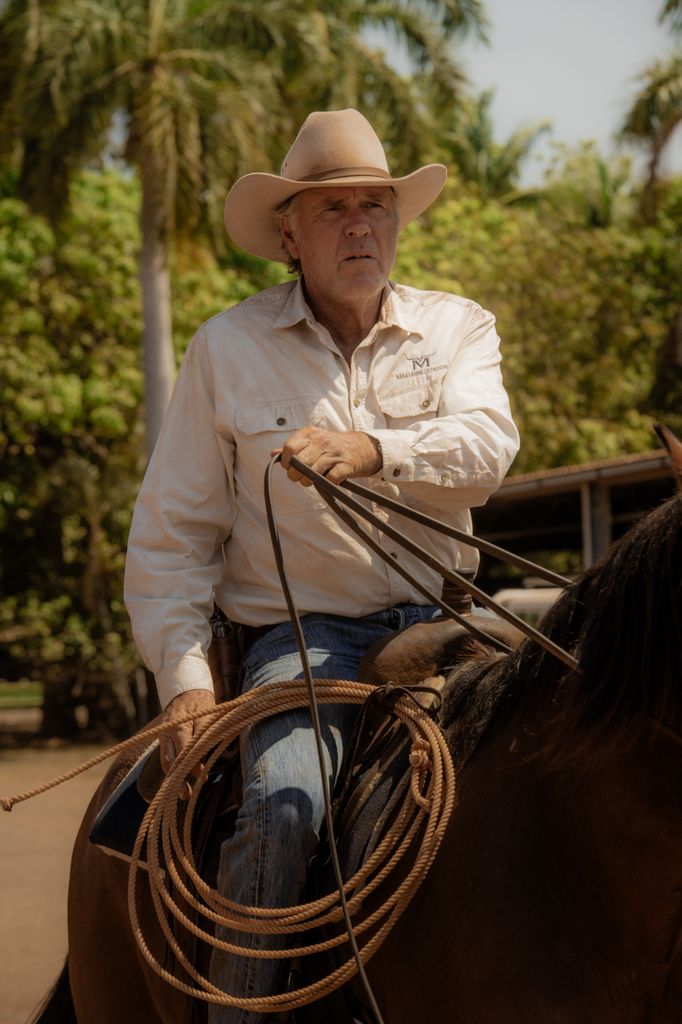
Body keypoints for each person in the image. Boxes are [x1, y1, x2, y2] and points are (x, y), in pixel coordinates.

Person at [124, 108, 520, 1023]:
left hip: (451, 619)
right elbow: (173, 532)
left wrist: (373, 448)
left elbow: (489, 449)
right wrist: (184, 680)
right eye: (334, 208)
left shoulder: (457, 328)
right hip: (306, 641)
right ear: (289, 237)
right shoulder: (227, 348)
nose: (360, 226)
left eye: (375, 206)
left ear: (397, 221)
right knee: (286, 803)